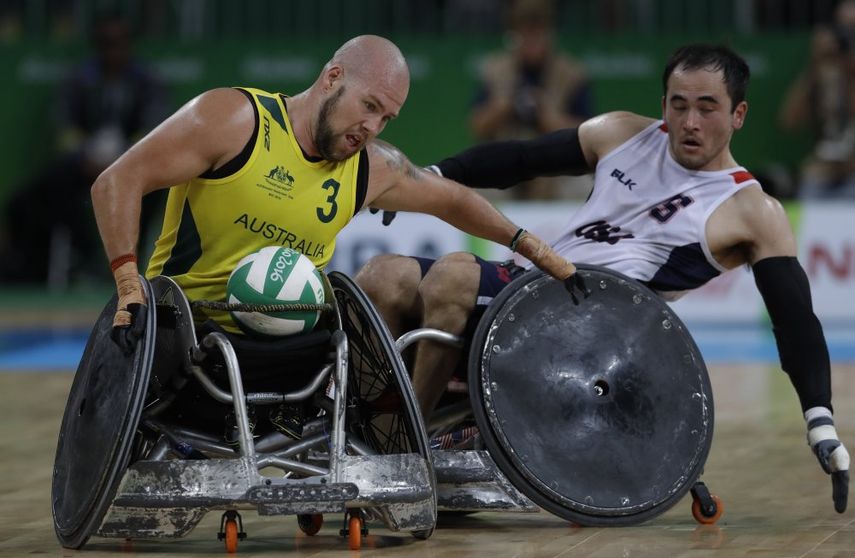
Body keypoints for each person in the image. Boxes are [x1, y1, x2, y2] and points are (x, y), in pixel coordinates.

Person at [356, 44, 850, 513]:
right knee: (383, 276)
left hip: (588, 330)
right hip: (530, 281)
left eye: (708, 108)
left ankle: (405, 457)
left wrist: (820, 420)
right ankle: (355, 428)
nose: (690, 122)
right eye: (678, 106)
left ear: (738, 115)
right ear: (663, 104)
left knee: (452, 276)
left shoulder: (751, 209)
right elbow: (523, 160)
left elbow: (794, 322)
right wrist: (434, 175)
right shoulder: (624, 133)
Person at [89, 35, 580, 442]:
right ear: (332, 78)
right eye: (368, 106)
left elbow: (452, 200)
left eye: (386, 118)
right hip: (189, 331)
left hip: (294, 343)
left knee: (375, 302)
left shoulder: (369, 167)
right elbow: (117, 181)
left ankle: (392, 444)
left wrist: (529, 245)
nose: (371, 127)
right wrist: (128, 279)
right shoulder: (234, 119)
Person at [0, 12, 169, 284]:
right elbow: (64, 126)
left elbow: (154, 128)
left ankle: (134, 258)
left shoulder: (147, 81)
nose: (113, 49)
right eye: (106, 42)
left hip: (132, 164)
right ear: (97, 45)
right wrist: (84, 154)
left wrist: (122, 158)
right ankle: (86, 253)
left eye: (120, 42)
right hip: (85, 164)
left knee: (159, 187)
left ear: (129, 44)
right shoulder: (80, 79)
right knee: (44, 191)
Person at [468, 0, 593, 200]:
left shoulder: (571, 72)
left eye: (537, 34)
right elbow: (477, 125)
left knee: (583, 187)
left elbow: (587, 132)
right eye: (523, 35)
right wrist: (505, 105)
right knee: (478, 188)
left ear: (550, 35)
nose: (530, 42)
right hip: (505, 161)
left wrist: (546, 114)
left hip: (556, 163)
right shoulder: (495, 69)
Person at [779, 0, 855, 199]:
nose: (847, 37)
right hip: (824, 170)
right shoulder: (823, 73)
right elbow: (790, 122)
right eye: (842, 29)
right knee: (811, 185)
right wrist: (815, 64)